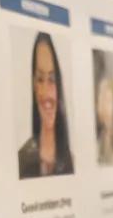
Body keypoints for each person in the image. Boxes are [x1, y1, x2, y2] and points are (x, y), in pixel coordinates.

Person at [18, 32, 74, 179]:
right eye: (40, 79)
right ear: (33, 85)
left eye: (52, 79)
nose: (46, 93)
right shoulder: (22, 160)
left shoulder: (71, 161)